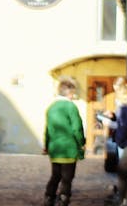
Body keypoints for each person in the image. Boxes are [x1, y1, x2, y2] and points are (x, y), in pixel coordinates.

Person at [42, 76, 85, 206]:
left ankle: (49, 197)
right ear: (69, 92)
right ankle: (63, 199)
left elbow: (47, 129)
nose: (74, 96)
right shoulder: (71, 107)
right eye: (73, 93)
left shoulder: (51, 107)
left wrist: (46, 145)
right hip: (69, 149)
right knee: (67, 178)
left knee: (55, 176)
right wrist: (81, 142)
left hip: (55, 149)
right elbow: (77, 128)